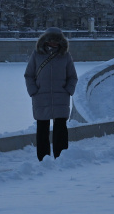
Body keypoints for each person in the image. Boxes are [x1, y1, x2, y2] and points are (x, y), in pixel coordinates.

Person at [24, 27, 78, 161]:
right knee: (42, 129)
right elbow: (29, 75)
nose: (53, 43)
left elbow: (72, 76)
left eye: (56, 41)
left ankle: (61, 158)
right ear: (45, 41)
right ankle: (43, 159)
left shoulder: (65, 56)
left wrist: (68, 90)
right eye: (51, 40)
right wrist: (33, 91)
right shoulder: (37, 55)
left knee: (61, 129)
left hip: (61, 98)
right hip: (41, 97)